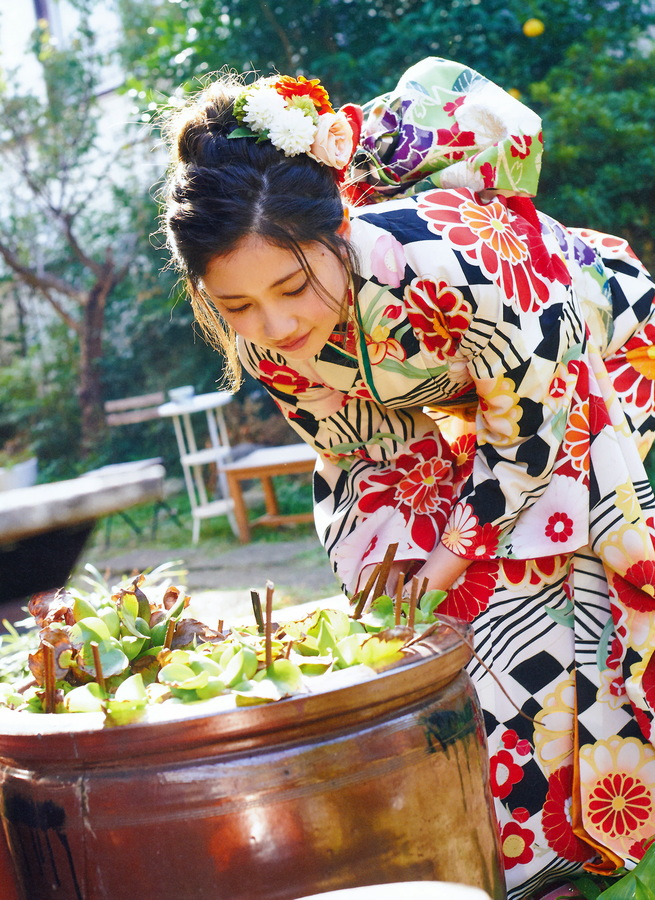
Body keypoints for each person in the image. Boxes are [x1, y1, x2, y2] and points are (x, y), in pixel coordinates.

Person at [162, 58, 655, 899]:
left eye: (291, 285)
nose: (274, 324)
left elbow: (529, 425)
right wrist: (404, 580)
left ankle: (603, 847)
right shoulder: (274, 345)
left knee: (577, 598)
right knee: (460, 634)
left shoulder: (452, 254)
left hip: (597, 364)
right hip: (484, 414)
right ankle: (532, 862)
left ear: (337, 227)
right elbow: (365, 452)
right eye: (236, 306)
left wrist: (455, 554)